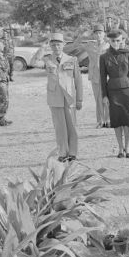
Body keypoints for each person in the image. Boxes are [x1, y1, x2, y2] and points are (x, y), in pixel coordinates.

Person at [100, 29, 129, 158]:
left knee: (127, 121)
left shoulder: (128, 54)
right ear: (108, 41)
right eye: (113, 41)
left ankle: (127, 148)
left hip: (127, 91)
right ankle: (120, 149)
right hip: (112, 92)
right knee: (116, 121)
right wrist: (104, 96)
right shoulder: (104, 57)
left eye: (118, 40)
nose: (116, 43)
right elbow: (102, 78)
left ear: (122, 40)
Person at [44, 32, 83, 162]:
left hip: (70, 98)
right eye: (53, 44)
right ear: (50, 45)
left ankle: (73, 152)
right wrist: (42, 48)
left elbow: (78, 80)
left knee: (72, 126)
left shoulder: (72, 59)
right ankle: (62, 152)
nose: (56, 47)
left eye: (58, 44)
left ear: (63, 45)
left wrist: (79, 99)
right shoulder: (47, 59)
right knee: (60, 128)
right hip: (55, 98)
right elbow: (33, 62)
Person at [87, 24, 110, 128]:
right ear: (93, 35)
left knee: (108, 98)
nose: (98, 35)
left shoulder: (109, 45)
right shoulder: (90, 46)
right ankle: (100, 121)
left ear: (104, 34)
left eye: (100, 33)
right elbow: (75, 45)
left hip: (107, 75)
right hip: (95, 76)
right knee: (98, 99)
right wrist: (81, 35)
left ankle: (108, 120)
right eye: (96, 33)